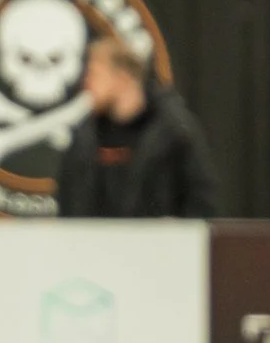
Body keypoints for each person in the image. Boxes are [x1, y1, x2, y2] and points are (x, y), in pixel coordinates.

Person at [53, 35, 218, 218]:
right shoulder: (85, 136)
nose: (87, 83)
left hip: (158, 236)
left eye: (95, 74)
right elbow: (68, 201)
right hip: (95, 236)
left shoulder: (173, 131)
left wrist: (177, 230)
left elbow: (201, 198)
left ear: (123, 78)